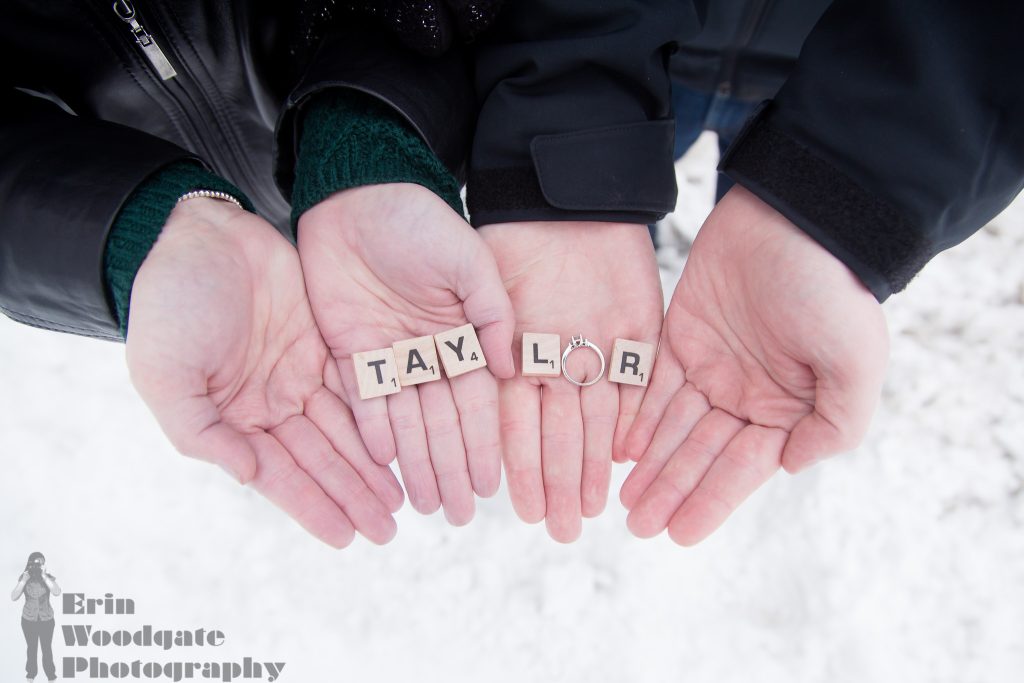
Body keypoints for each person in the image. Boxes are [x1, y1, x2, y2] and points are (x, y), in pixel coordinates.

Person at [11, 552, 61, 682]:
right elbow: (14, 597)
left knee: (47, 649)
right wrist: (23, 581)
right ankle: (30, 676)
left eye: (41, 563)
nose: (38, 566)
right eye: (36, 563)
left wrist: (44, 576)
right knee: (31, 649)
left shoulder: (47, 578)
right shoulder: (24, 578)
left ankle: (51, 677)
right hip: (28, 620)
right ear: (29, 564)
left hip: (47, 620)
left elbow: (56, 592)